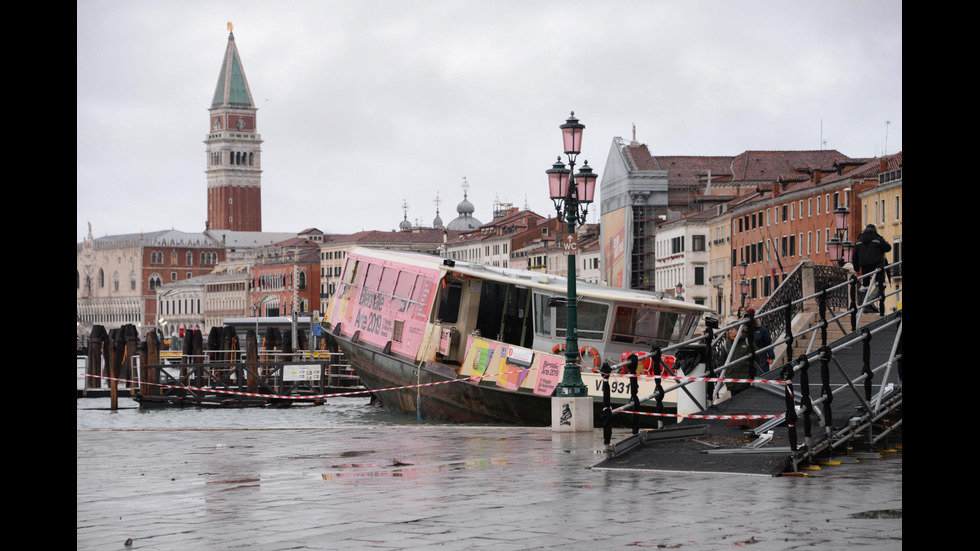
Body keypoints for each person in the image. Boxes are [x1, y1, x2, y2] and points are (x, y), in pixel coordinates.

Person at [853, 224, 891, 312]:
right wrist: (886, 243)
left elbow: (854, 256)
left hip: (864, 266)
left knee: (865, 285)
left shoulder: (858, 241)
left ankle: (864, 305)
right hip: (877, 265)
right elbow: (888, 248)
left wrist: (856, 268)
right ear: (875, 230)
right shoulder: (878, 240)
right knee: (880, 284)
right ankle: (869, 301)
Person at [721, 319, 752, 395]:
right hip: (733, 382)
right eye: (729, 330)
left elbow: (756, 357)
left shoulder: (747, 341)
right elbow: (723, 361)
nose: (730, 332)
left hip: (745, 381)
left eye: (732, 329)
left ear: (739, 330)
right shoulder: (726, 344)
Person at [745, 307, 774, 373]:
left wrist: (771, 356)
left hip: (762, 357)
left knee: (762, 374)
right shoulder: (744, 331)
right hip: (749, 358)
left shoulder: (762, 330)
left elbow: (768, 343)